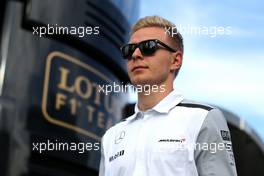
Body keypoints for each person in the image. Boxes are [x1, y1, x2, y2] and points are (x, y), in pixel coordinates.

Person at [99, 15, 237, 176]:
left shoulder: (202, 118)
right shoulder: (111, 136)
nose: (135, 55)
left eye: (148, 46)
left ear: (176, 60)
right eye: (129, 50)